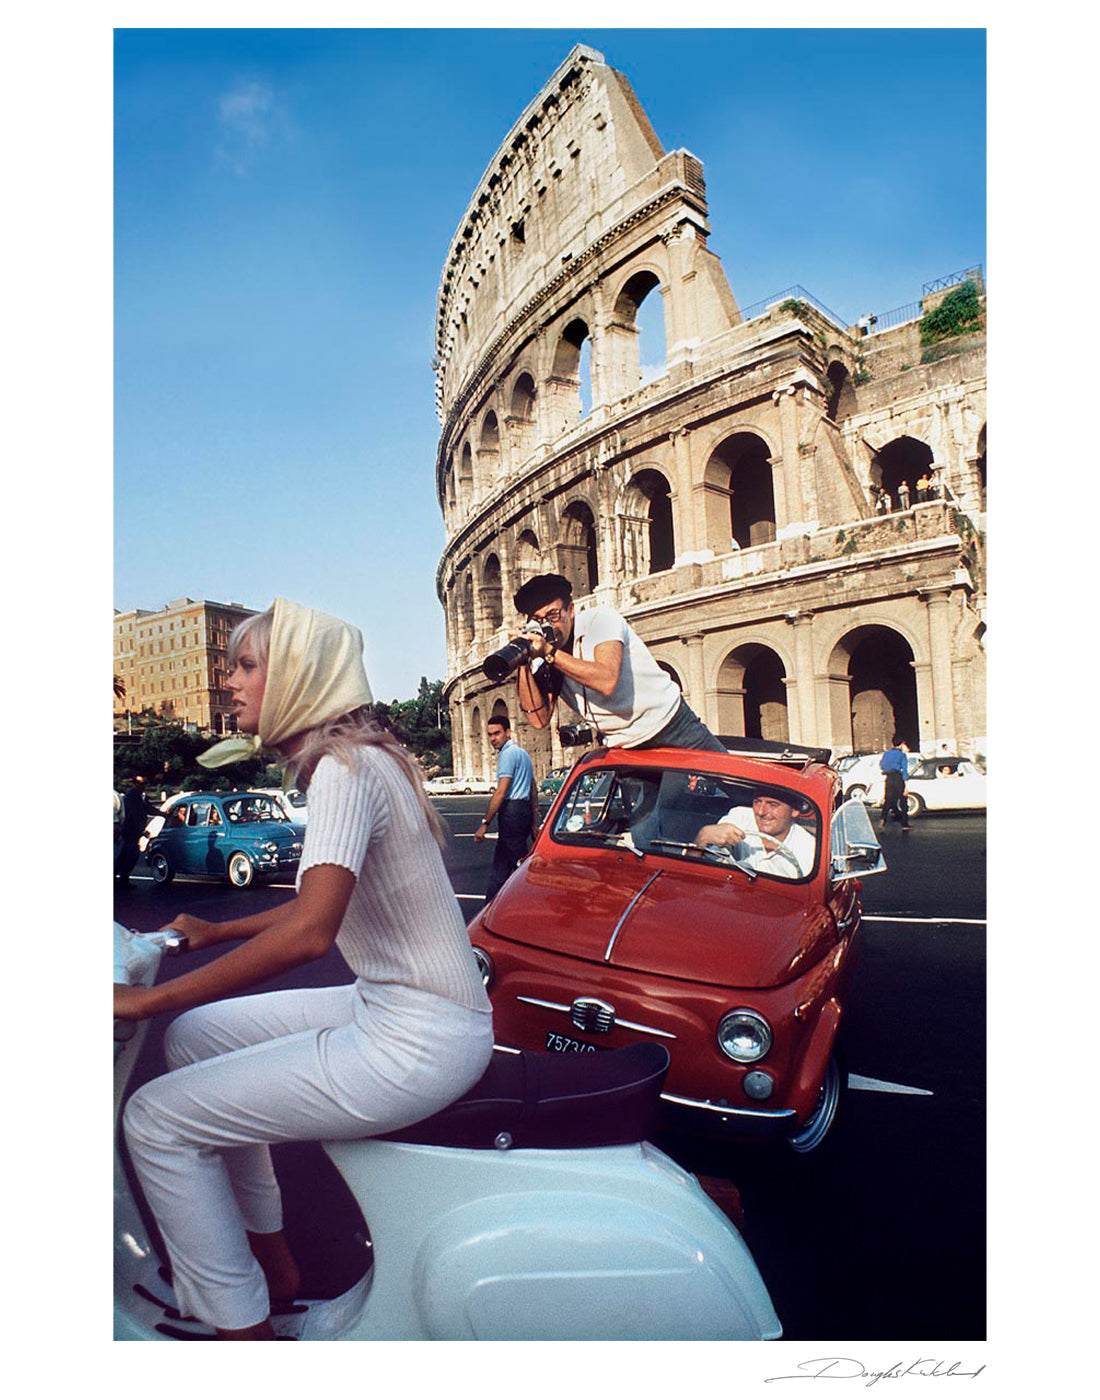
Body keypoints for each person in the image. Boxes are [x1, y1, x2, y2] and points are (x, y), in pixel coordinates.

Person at [113, 598, 493, 1340]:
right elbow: (322, 907)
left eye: (247, 665)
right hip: (399, 1007)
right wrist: (206, 933)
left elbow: (310, 935)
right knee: (194, 1040)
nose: (230, 682)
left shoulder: (343, 772)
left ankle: (240, 1329)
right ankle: (271, 1266)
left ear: (297, 676)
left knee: (153, 1121)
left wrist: (140, 1006)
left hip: (415, 1038)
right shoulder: (360, 760)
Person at [512, 574, 726, 753]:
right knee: (652, 806)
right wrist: (522, 658)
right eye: (538, 619)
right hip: (624, 746)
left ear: (571, 610)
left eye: (553, 615)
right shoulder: (544, 656)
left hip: (671, 725)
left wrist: (550, 652)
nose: (547, 625)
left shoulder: (601, 620)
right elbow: (538, 719)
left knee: (734, 785)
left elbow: (607, 681)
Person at [476, 714, 538, 902]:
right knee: (501, 867)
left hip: (512, 813)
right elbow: (533, 788)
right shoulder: (523, 754)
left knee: (519, 866)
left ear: (508, 732)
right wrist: (535, 820)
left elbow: (501, 792)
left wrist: (485, 822)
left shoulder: (507, 754)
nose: (493, 739)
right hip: (523, 811)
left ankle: (533, 903)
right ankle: (490, 907)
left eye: (497, 733)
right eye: (490, 735)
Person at [694, 788, 816, 879]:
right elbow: (698, 869)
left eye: (773, 805)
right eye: (757, 802)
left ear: (794, 811)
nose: (761, 812)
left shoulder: (809, 850)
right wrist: (703, 836)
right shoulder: (739, 817)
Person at [114, 773, 154, 885]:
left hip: (134, 831)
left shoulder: (142, 796)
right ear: (134, 784)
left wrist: (163, 813)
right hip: (130, 830)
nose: (143, 786)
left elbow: (148, 808)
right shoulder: (131, 796)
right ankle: (123, 880)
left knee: (124, 855)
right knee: (132, 855)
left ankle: (116, 878)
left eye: (145, 783)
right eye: (140, 783)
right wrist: (141, 830)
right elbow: (132, 815)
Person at [879, 736, 911, 831]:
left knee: (888, 800)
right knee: (903, 800)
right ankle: (904, 824)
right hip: (898, 777)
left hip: (889, 778)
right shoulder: (902, 755)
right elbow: (904, 770)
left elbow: (882, 765)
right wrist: (906, 786)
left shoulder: (886, 754)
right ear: (901, 744)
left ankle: (883, 819)